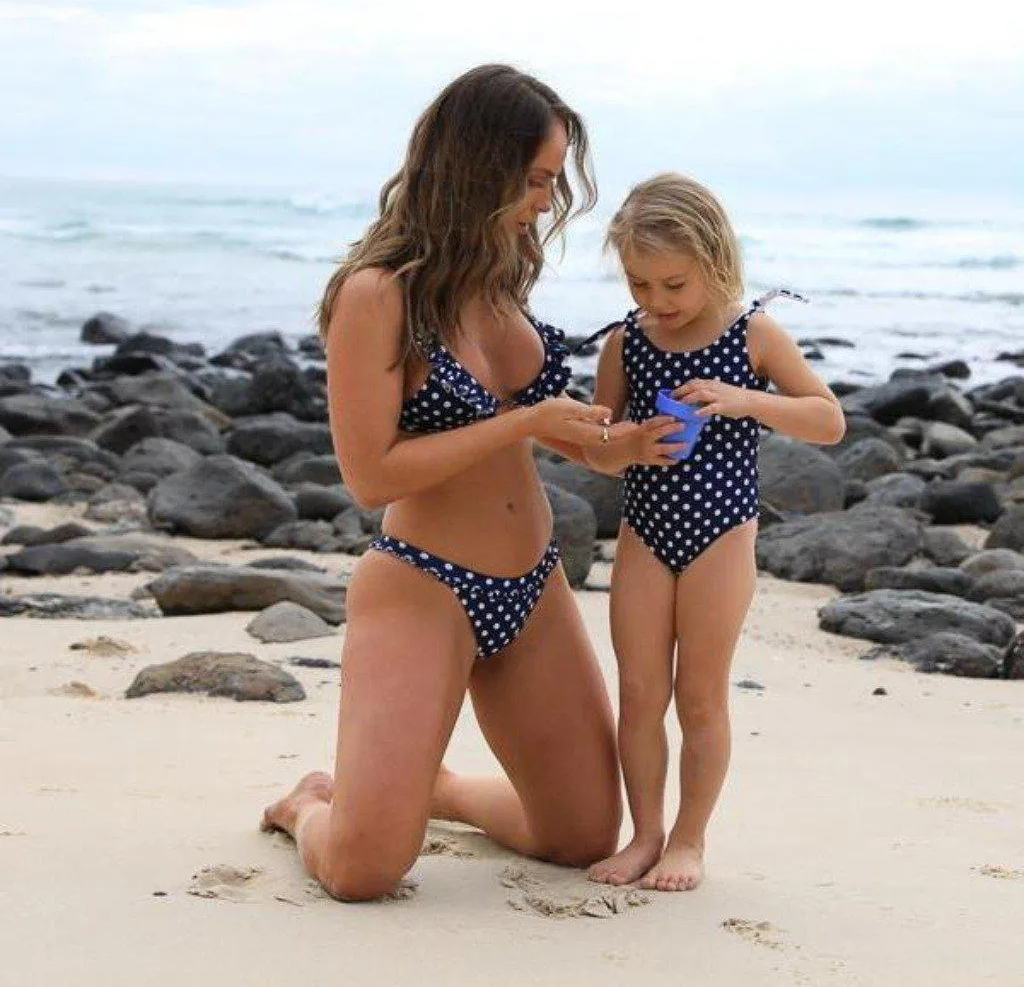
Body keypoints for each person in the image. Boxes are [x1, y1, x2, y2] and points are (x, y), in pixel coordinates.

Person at [260, 64, 639, 901]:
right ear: (480, 166)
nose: (547, 201)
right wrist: (528, 423)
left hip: (533, 585)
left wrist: (621, 445)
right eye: (538, 179)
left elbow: (546, 426)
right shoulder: (375, 294)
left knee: (581, 835)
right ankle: (307, 807)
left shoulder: (499, 276)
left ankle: (440, 794)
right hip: (425, 585)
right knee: (363, 872)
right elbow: (369, 474)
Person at [582, 174, 846, 891]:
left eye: (674, 285)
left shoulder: (751, 333)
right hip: (646, 533)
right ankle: (645, 835)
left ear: (714, 260)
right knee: (639, 693)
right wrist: (628, 442)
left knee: (700, 696)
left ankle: (690, 840)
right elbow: (597, 445)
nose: (657, 303)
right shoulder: (627, 344)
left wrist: (745, 400)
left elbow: (827, 419)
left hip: (723, 536)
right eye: (639, 285)